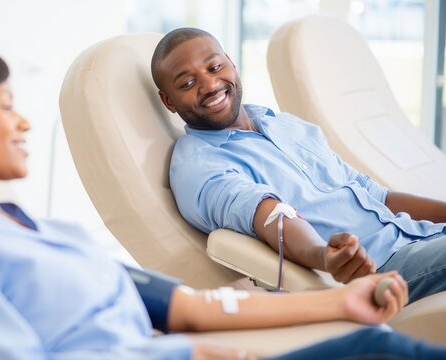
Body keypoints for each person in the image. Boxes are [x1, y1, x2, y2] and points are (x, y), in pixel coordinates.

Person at [0, 40, 444, 360]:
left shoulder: (44, 233)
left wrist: (341, 307)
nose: (23, 123)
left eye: (215, 67)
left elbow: (188, 308)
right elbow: (270, 215)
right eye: (5, 103)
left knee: (374, 345)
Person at [151, 27, 446, 304]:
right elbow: (271, 216)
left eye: (215, 67)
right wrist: (325, 257)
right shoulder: (200, 165)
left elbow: (375, 195)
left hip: (419, 235)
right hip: (380, 268)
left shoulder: (282, 124)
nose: (210, 85)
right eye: (187, 83)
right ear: (169, 101)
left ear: (231, 63)